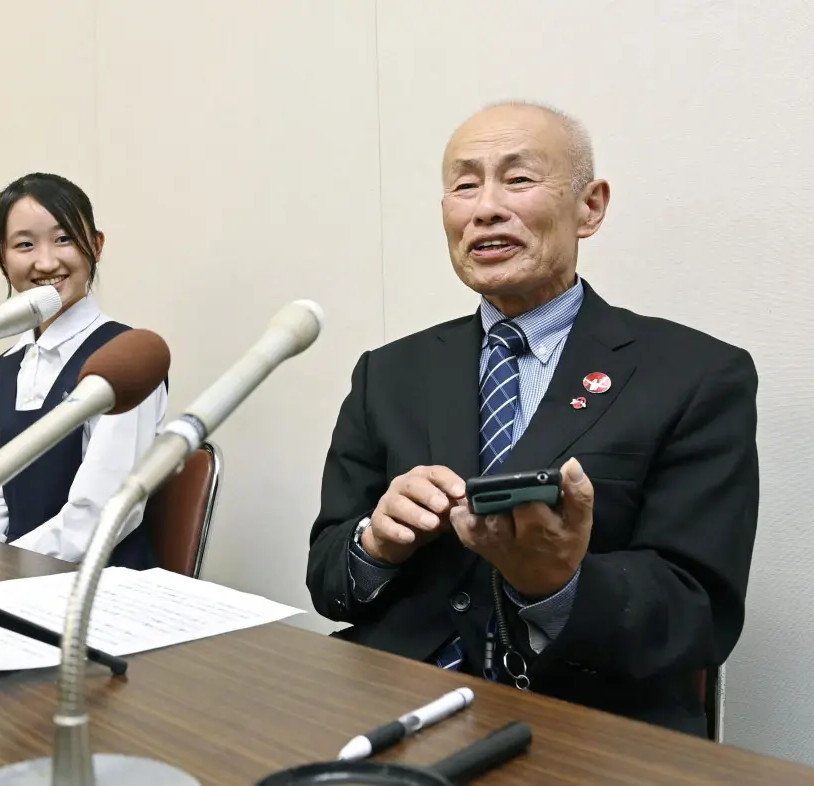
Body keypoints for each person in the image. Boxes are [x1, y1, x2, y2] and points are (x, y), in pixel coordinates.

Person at [306, 102, 759, 737]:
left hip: (587, 723)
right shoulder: (388, 373)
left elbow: (700, 616)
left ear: (590, 207)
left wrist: (558, 584)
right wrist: (375, 545)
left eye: (518, 179)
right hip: (393, 704)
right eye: (464, 184)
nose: (485, 207)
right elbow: (328, 580)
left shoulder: (696, 375)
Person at [0, 173, 166, 568]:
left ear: (96, 245)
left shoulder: (125, 361)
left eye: (64, 239)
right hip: (12, 586)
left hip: (99, 589)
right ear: (0, 258)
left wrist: (8, 569)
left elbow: (99, 514)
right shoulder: (7, 367)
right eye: (25, 244)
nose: (46, 262)